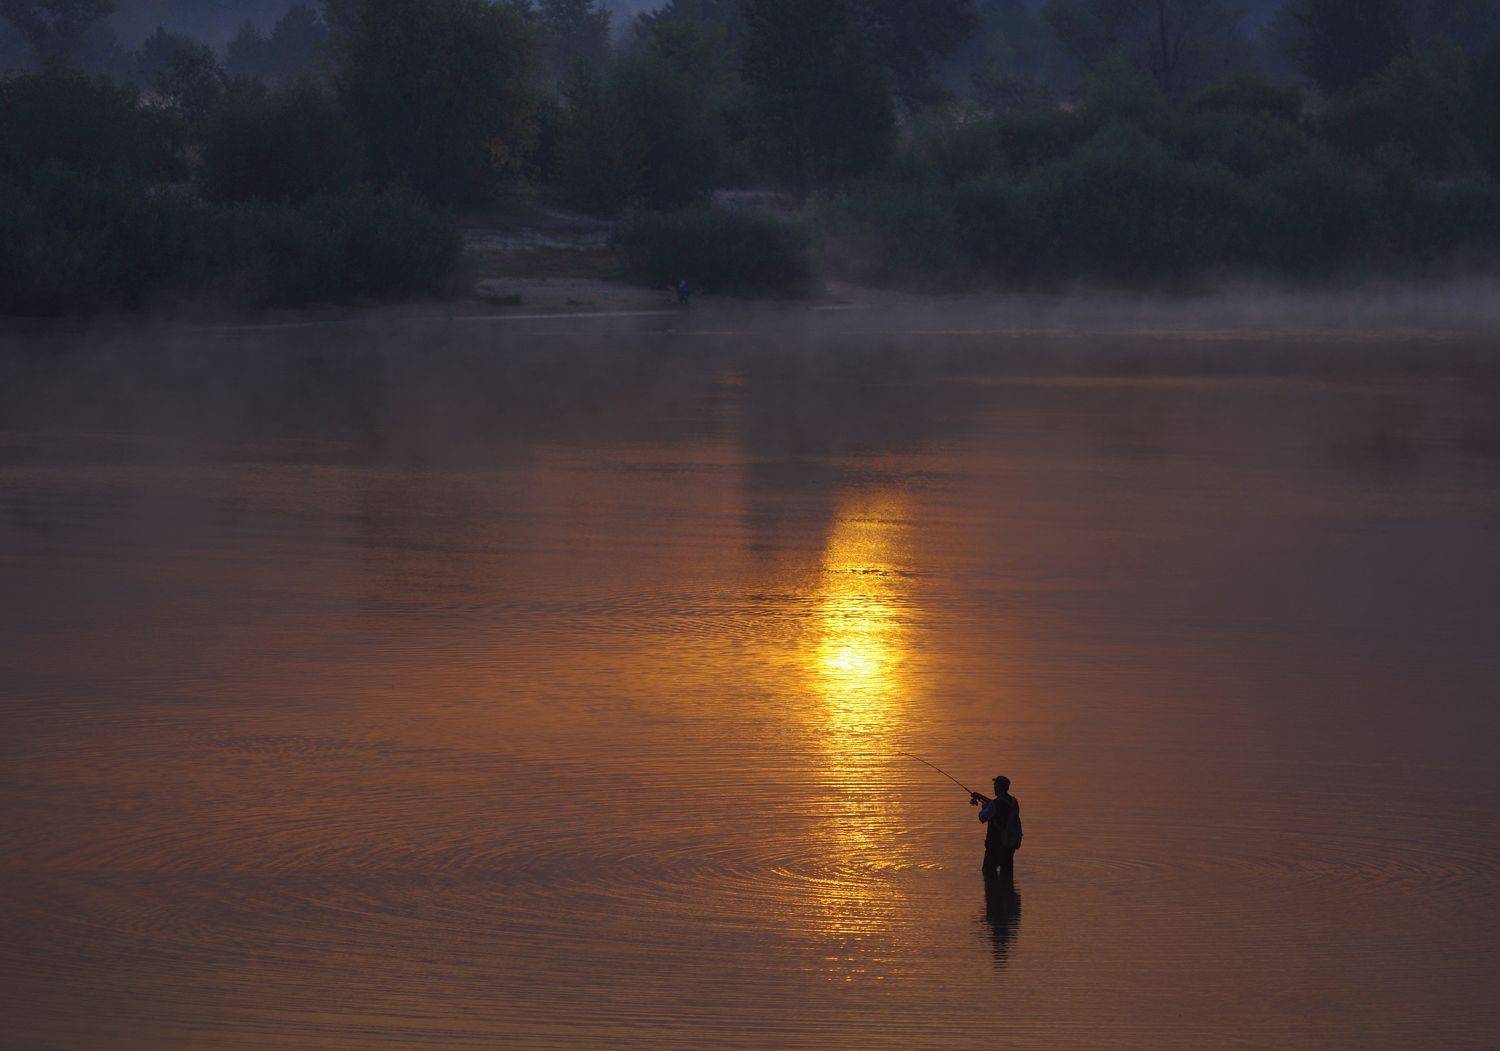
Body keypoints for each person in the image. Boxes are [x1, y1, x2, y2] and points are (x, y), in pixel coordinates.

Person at [970, 775, 1022, 875]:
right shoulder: (1013, 801)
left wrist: (984, 808)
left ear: (997, 787)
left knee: (988, 872)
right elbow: (999, 803)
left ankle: (994, 890)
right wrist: (981, 797)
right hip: (1009, 843)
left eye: (995, 785)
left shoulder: (995, 804)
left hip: (995, 844)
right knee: (1007, 873)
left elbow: (982, 817)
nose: (993, 787)